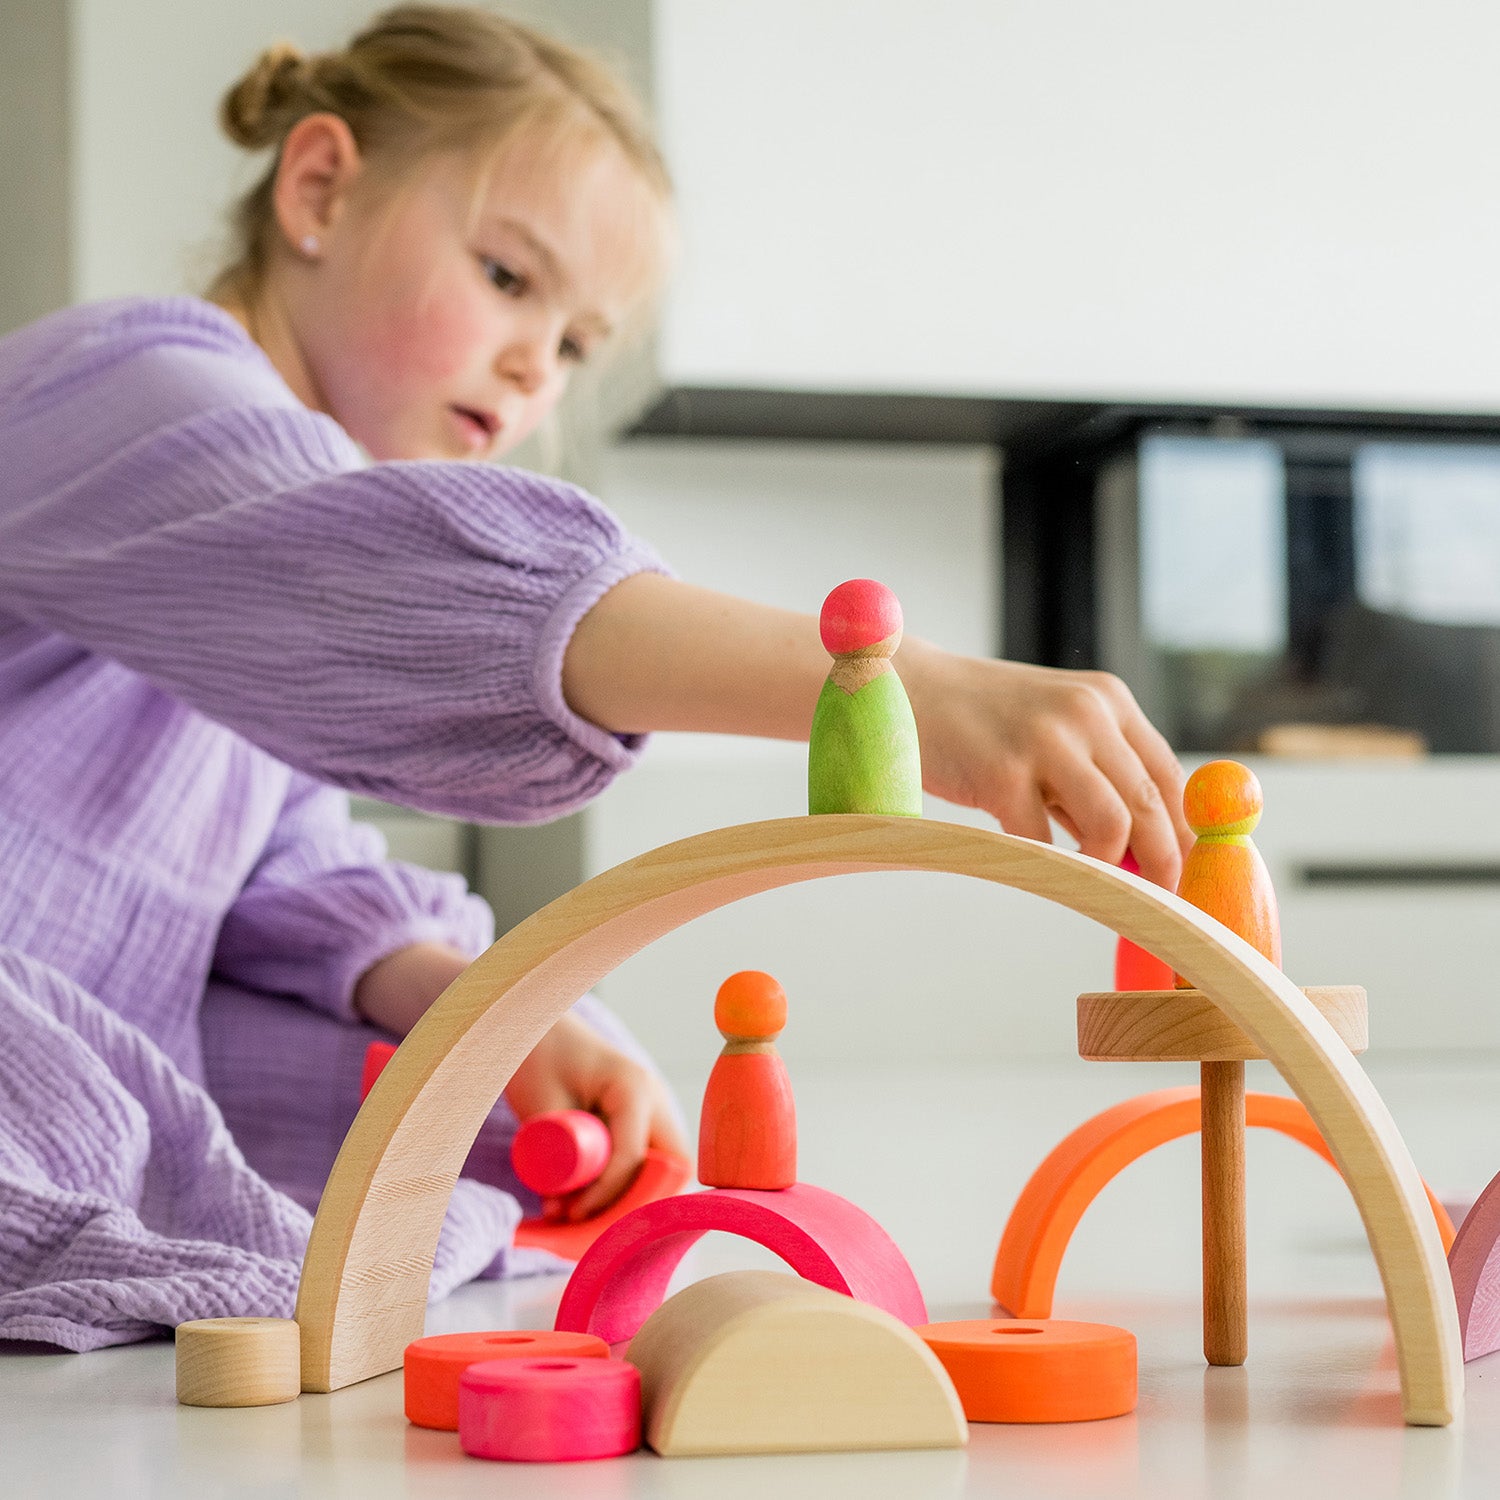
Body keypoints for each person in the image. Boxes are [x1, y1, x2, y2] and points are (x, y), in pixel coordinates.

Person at [0, 5, 1189, 1350]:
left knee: (455, 1128)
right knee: (143, 1148)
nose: (532, 367)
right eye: (510, 279)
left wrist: (494, 1013)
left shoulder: (271, 571)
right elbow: (379, 579)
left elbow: (282, 867)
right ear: (320, 188)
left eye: (573, 345)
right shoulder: (125, 392)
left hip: (99, 993)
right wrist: (890, 683)